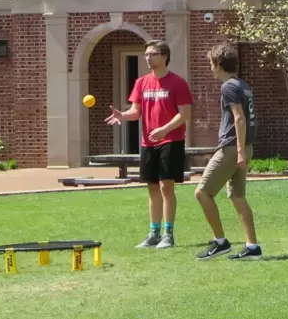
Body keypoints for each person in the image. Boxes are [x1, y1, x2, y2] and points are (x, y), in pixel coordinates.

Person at [106, 39, 193, 249]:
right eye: (146, 54)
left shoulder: (178, 83)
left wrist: (164, 129)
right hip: (148, 142)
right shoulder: (141, 82)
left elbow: (185, 114)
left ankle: (168, 234)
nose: (148, 58)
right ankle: (153, 233)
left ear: (164, 57)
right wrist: (123, 115)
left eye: (153, 54)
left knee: (166, 186)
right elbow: (136, 111)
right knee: (152, 188)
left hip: (171, 139)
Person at [194, 43, 262, 261]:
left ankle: (220, 242)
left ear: (219, 64)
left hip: (233, 147)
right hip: (243, 145)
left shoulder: (228, 87)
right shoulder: (243, 85)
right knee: (237, 195)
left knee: (202, 192)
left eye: (211, 64)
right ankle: (252, 247)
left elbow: (239, 118)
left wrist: (240, 151)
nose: (211, 69)